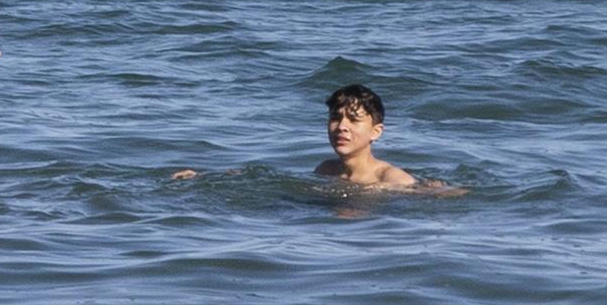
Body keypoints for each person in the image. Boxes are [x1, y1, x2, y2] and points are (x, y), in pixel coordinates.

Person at [174, 83, 442, 189]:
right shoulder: (326, 169)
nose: (342, 127)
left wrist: (437, 190)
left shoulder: (391, 178)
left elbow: (437, 195)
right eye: (336, 118)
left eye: (353, 120)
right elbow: (272, 179)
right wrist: (206, 177)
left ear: (376, 132)